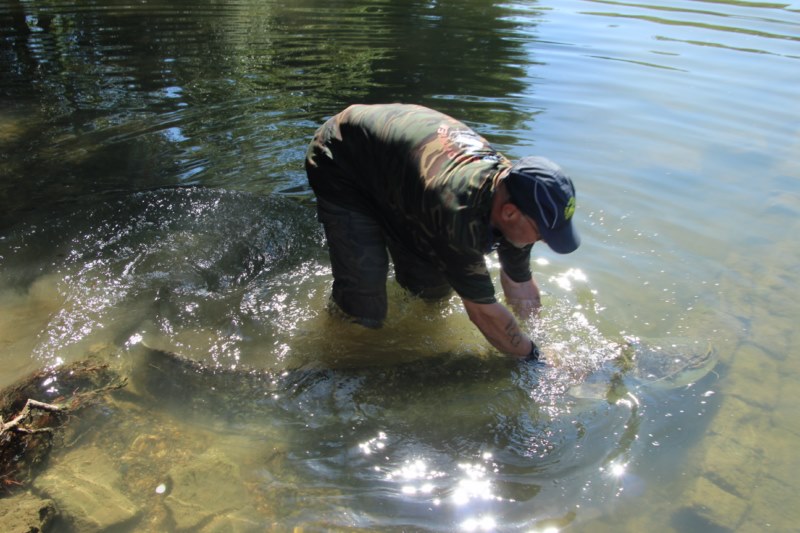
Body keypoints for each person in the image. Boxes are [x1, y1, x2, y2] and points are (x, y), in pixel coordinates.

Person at [305, 103, 579, 360]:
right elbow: (483, 313)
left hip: (404, 176)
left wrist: (540, 336)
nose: (542, 240)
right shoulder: (459, 214)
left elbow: (519, 283)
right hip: (343, 157)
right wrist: (536, 359)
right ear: (509, 213)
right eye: (543, 234)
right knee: (364, 305)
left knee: (432, 290)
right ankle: (332, 354)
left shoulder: (520, 197)